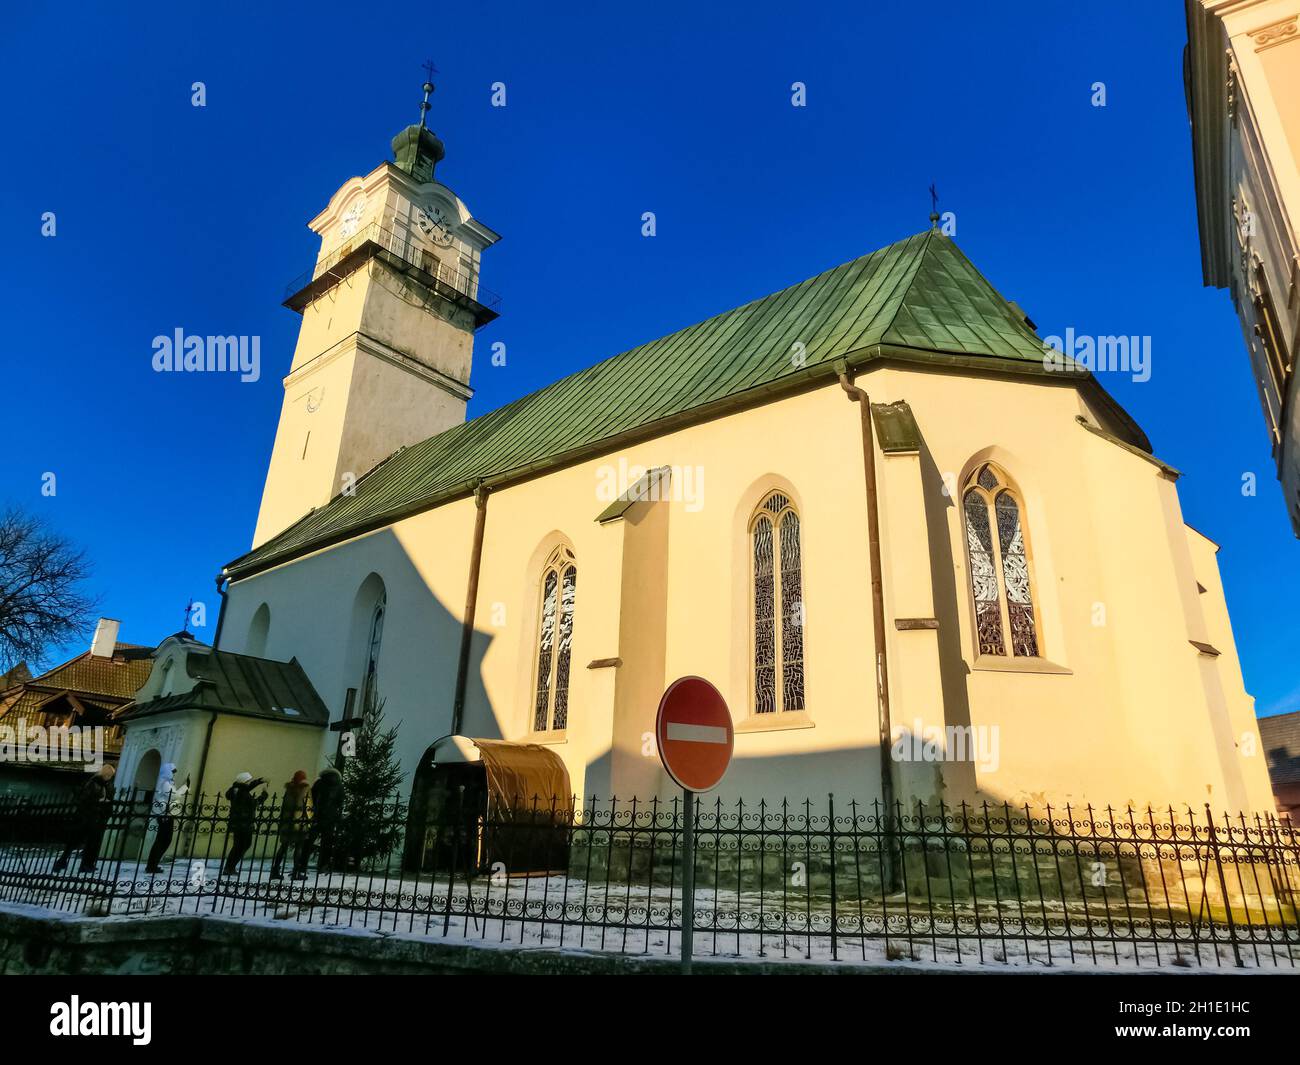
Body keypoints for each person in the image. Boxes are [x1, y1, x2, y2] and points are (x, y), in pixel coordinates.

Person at [52, 764, 116, 873]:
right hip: (88, 815)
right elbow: (84, 799)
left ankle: (87, 864)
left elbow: (110, 798)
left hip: (99, 816)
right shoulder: (93, 783)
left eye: (110, 775)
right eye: (108, 775)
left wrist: (106, 810)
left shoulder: (108, 785)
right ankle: (64, 861)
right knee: (77, 840)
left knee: (93, 841)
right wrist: (97, 801)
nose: (109, 777)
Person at [296, 766, 343, 876]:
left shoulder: (319, 783)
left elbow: (309, 799)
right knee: (327, 843)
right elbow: (340, 803)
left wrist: (309, 815)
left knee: (308, 842)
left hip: (316, 817)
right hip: (330, 818)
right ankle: (323, 866)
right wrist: (336, 817)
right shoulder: (339, 786)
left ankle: (302, 865)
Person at [144, 763, 189, 874]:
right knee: (163, 840)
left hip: (167, 813)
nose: (174, 774)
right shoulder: (164, 782)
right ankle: (151, 865)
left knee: (164, 840)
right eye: (173, 772)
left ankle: (153, 864)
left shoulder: (167, 782)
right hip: (165, 814)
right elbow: (173, 795)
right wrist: (184, 788)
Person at [221, 771, 266, 877]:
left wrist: (259, 781)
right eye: (248, 781)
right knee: (243, 845)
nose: (249, 782)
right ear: (244, 782)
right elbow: (254, 804)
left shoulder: (236, 790)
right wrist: (264, 796)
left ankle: (229, 867)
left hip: (236, 823)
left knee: (238, 846)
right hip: (245, 823)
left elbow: (249, 787)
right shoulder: (244, 793)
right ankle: (229, 867)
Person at [270, 770, 310, 880]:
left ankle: (275, 870)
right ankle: (296, 872)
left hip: (287, 823)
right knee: (298, 847)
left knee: (284, 847)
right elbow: (300, 806)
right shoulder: (302, 790)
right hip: (297, 823)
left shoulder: (289, 790)